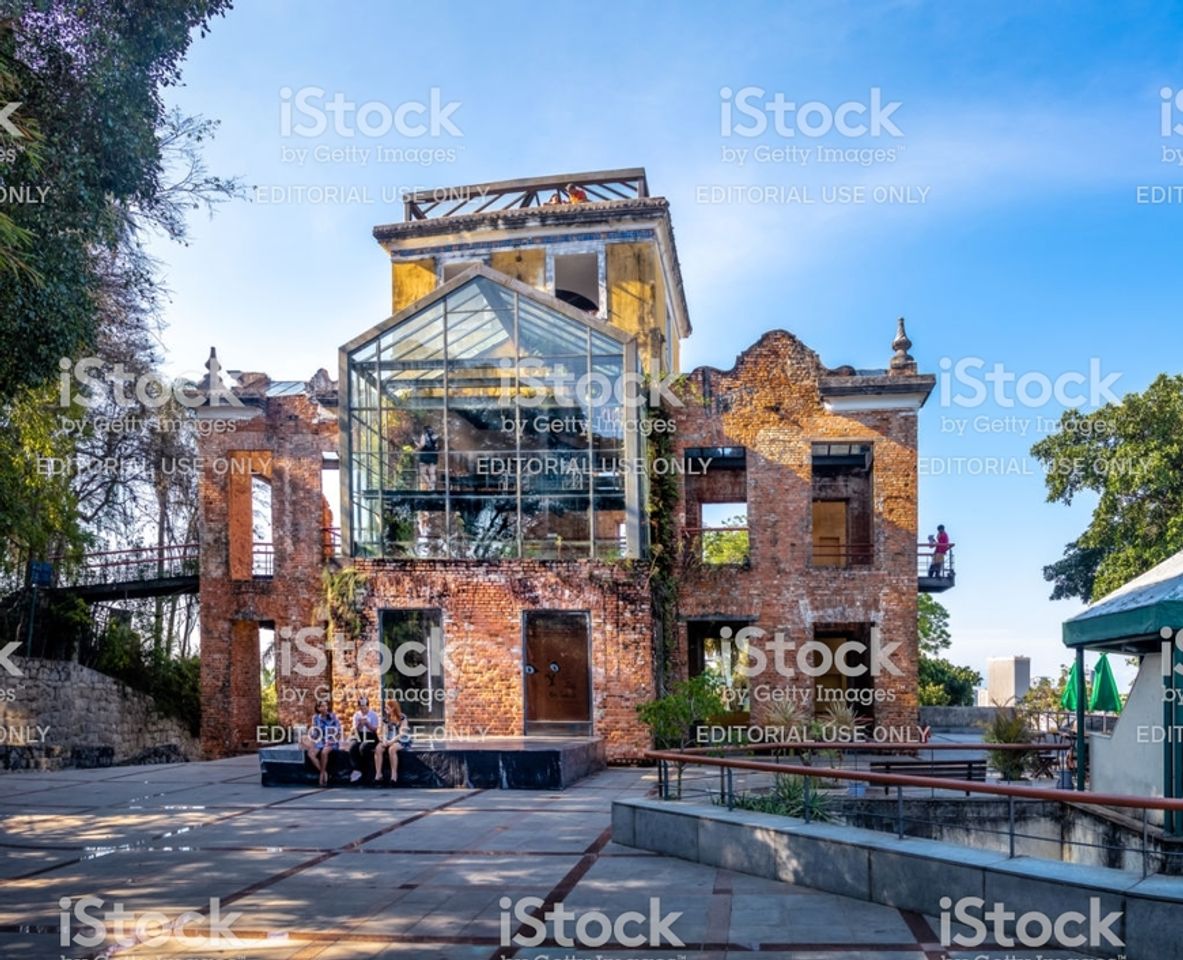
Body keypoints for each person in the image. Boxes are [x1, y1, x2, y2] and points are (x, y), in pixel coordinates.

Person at [300, 699, 343, 787]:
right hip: (320, 741)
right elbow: (315, 732)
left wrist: (331, 741)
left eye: (326, 706)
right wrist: (310, 740)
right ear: (318, 708)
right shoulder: (315, 718)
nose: (325, 708)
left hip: (331, 740)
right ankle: (324, 772)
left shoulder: (333, 717)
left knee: (324, 752)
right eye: (322, 706)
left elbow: (338, 732)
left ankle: (321, 775)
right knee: (311, 754)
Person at [375, 699, 410, 785]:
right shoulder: (386, 718)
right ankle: (378, 774)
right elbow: (383, 732)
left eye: (387, 708)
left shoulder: (402, 717)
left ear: (393, 708)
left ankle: (394, 775)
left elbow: (402, 733)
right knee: (378, 748)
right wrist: (384, 740)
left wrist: (391, 742)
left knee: (392, 749)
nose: (385, 710)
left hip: (401, 739)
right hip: (389, 738)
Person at [348, 694, 381, 784]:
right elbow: (355, 729)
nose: (363, 709)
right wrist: (360, 724)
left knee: (364, 747)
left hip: (370, 735)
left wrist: (367, 724)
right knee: (352, 747)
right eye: (361, 707)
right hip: (360, 734)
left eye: (365, 706)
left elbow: (375, 729)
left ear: (368, 706)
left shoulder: (373, 715)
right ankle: (357, 769)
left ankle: (368, 772)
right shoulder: (356, 715)